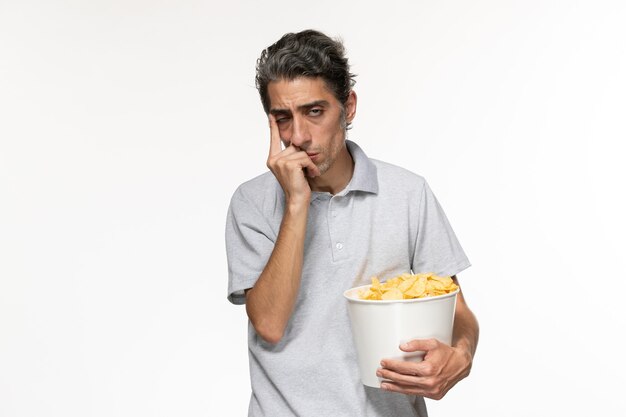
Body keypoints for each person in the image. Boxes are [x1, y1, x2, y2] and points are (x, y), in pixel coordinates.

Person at [225, 29, 479, 417]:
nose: (298, 136)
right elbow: (269, 324)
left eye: (314, 112)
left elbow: (457, 313)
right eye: (282, 119)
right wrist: (296, 202)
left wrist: (459, 357)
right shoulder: (252, 202)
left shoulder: (408, 193)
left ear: (349, 107)